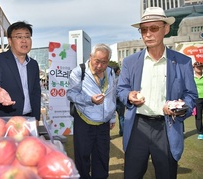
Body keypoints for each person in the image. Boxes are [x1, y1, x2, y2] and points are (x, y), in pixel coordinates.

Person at [117, 7, 198, 179]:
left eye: (153, 28)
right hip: (137, 127)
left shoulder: (182, 62)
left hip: (167, 127)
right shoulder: (130, 62)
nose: (148, 34)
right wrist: (129, 96)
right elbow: (121, 89)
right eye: (144, 30)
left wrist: (179, 108)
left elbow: (191, 96)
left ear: (166, 29)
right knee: (131, 175)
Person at [66, 43, 116, 179]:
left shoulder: (110, 72)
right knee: (82, 157)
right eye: (97, 61)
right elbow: (70, 94)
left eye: (104, 62)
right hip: (84, 121)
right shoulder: (79, 71)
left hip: (103, 124)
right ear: (90, 57)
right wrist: (90, 99)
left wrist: (112, 117)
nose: (100, 66)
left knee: (102, 157)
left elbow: (112, 95)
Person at [0, 21, 41, 122]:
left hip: (28, 119)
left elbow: (36, 92)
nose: (24, 41)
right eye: (19, 37)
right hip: (6, 119)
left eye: (27, 37)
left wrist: (36, 118)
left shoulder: (33, 64)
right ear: (10, 40)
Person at [114, 66, 125, 136]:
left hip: (112, 100)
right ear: (117, 71)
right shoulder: (120, 79)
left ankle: (107, 134)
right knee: (121, 117)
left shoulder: (110, 78)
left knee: (108, 118)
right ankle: (122, 132)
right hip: (120, 100)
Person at [193, 61, 203, 140]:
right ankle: (200, 132)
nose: (199, 68)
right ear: (194, 68)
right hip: (197, 99)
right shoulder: (192, 78)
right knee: (198, 116)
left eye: (200, 67)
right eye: (197, 67)